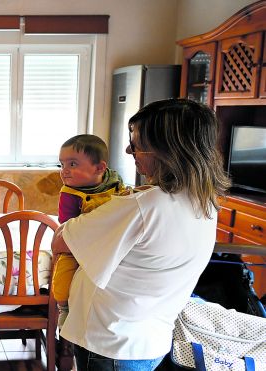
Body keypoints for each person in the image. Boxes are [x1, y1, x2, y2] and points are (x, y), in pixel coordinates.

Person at [51, 98, 231, 370]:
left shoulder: (141, 207)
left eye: (136, 144)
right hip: (150, 341)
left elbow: (61, 241)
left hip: (109, 342)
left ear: (165, 149)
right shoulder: (205, 202)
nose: (127, 149)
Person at [53, 134, 124, 328]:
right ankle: (63, 307)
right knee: (63, 272)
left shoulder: (116, 184)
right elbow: (67, 225)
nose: (64, 171)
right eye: (62, 165)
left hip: (110, 243)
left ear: (100, 168)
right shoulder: (69, 193)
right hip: (77, 244)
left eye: (72, 164)